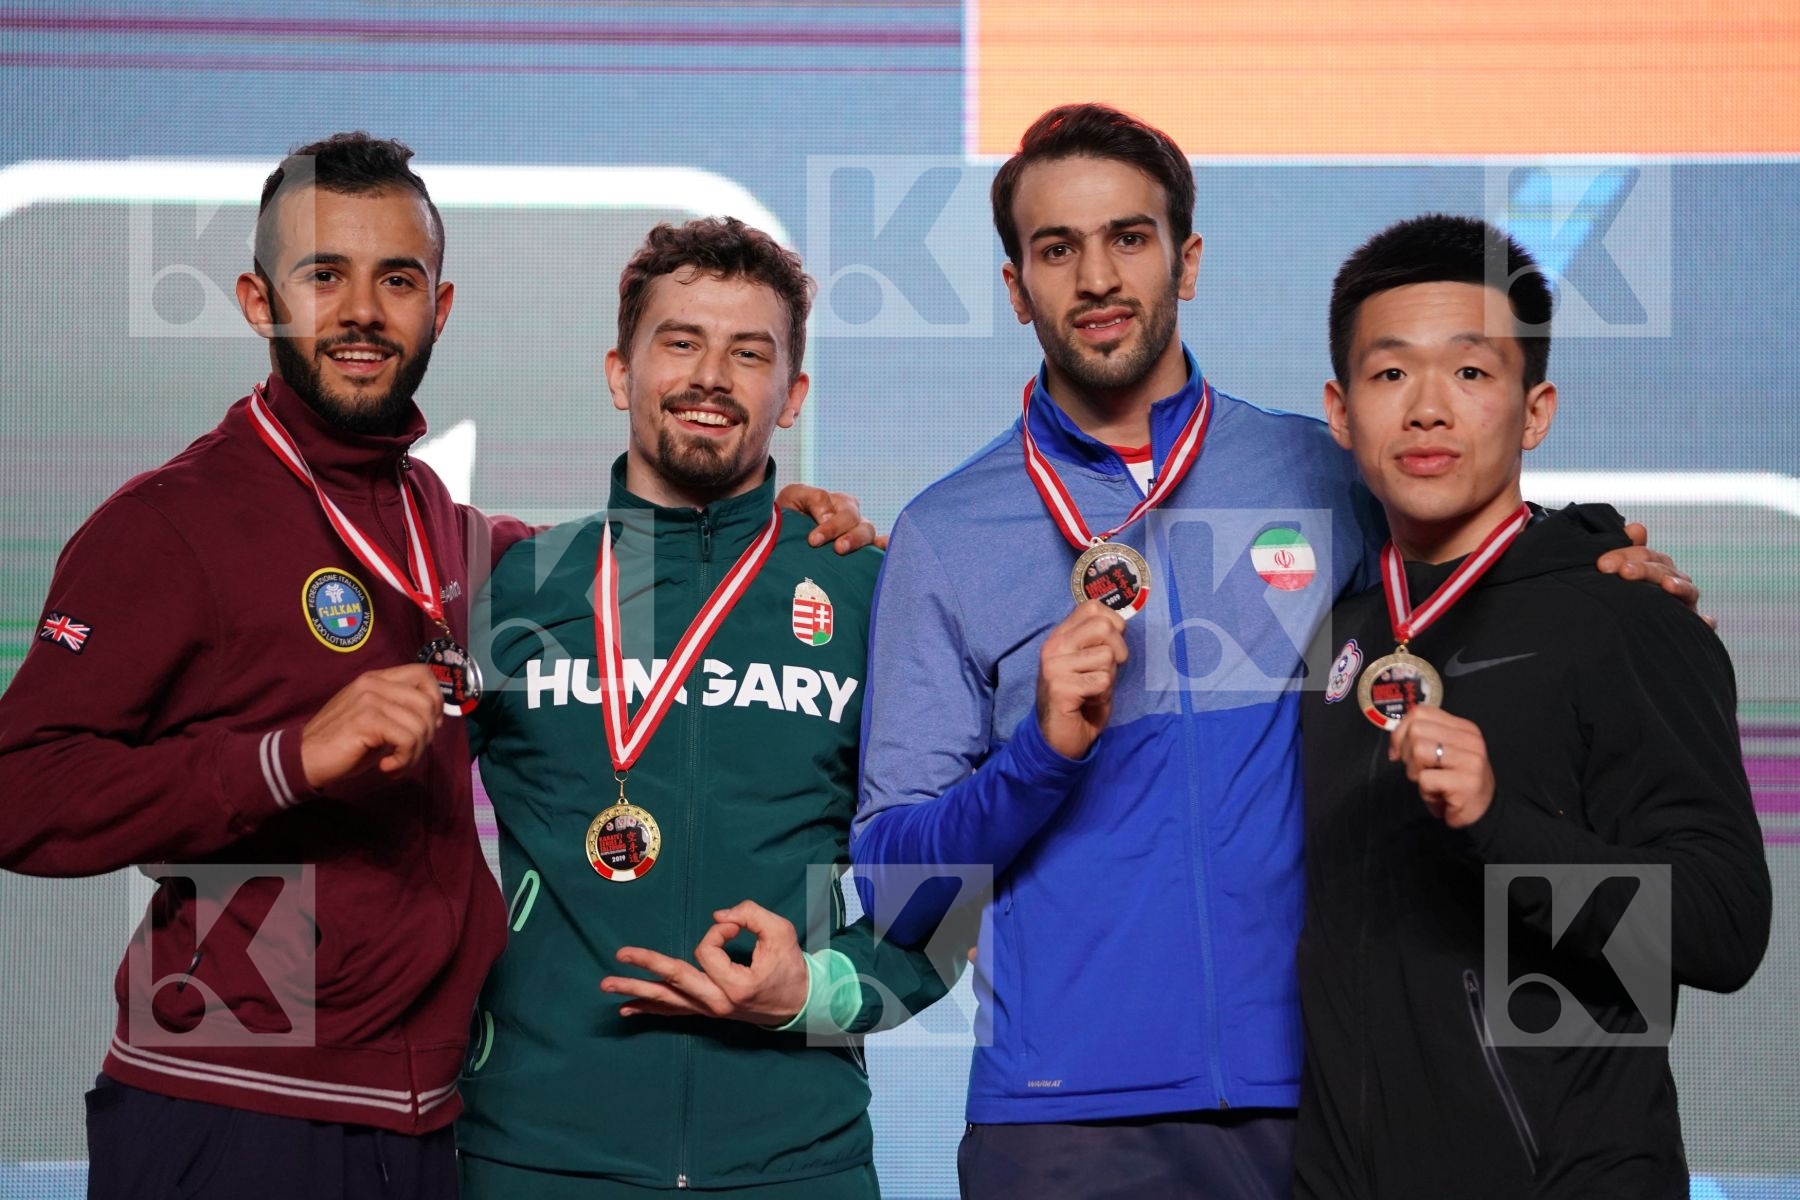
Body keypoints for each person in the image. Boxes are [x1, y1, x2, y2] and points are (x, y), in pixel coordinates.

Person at [849, 103, 1701, 1197]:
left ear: (1187, 260)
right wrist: (1040, 757)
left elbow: (1483, 575)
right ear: (1016, 287)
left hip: (1328, 1105)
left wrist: (1606, 567)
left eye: (1131, 238)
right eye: (1057, 249)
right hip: (1059, 1122)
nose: (1098, 276)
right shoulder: (946, 532)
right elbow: (898, 890)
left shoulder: (1327, 474)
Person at [0, 134, 873, 1199]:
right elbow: (18, 791)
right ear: (256, 298)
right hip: (237, 1095)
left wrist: (774, 527)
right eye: (324, 275)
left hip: (425, 1119)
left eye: (396, 279)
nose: (363, 311)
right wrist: (286, 758)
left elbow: (638, 566)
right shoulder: (173, 524)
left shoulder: (466, 547)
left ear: (439, 308)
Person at [455, 217, 954, 1200]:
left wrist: (815, 992)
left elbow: (953, 874)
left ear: (793, 394)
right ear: (619, 372)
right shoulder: (516, 584)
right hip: (533, 1152)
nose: (711, 376)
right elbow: (395, 839)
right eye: (680, 341)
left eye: (749, 352)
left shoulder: (873, 592)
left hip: (794, 1157)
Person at [1294, 214, 1770, 1199]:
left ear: (1536, 407)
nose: (1427, 410)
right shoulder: (1325, 635)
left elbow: (1725, 930)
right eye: (1390, 375)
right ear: (1340, 412)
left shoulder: (1624, 619)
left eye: (1469, 374)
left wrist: (1498, 825)